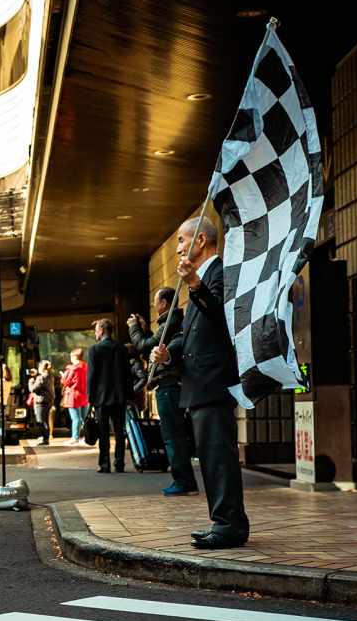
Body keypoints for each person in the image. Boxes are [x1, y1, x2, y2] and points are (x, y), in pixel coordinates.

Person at [150, 216, 249, 549]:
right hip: (198, 381)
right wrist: (169, 353)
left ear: (201, 241)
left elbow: (219, 317)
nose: (178, 247)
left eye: (182, 239)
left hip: (214, 379)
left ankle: (231, 525)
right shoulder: (200, 280)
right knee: (209, 455)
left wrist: (195, 285)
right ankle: (222, 521)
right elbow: (190, 333)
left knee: (219, 455)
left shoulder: (219, 273)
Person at [129, 288, 199, 496]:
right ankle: (183, 480)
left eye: (155, 301)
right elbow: (156, 343)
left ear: (165, 303)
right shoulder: (170, 323)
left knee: (172, 435)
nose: (153, 304)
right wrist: (144, 330)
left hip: (168, 386)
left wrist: (134, 329)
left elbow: (145, 345)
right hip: (170, 385)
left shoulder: (171, 322)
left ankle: (184, 482)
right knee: (173, 434)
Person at [87, 319, 131, 472]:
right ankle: (119, 463)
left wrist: (90, 397)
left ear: (101, 331)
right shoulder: (122, 349)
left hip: (101, 397)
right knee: (120, 431)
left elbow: (91, 376)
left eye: (96, 331)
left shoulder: (94, 350)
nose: (95, 334)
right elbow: (127, 374)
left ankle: (104, 464)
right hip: (119, 397)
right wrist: (129, 395)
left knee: (103, 432)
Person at [62, 349, 89, 446]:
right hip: (84, 395)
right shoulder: (87, 367)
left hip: (73, 396)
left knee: (75, 418)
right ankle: (87, 437)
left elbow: (66, 382)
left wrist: (63, 377)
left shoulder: (72, 369)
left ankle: (74, 438)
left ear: (74, 357)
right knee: (84, 418)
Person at [28, 360, 55, 446]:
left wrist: (31, 382)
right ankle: (46, 439)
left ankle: (45, 439)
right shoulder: (50, 376)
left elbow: (33, 389)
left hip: (41, 401)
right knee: (46, 420)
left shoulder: (41, 378)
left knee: (40, 421)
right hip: (48, 401)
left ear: (42, 368)